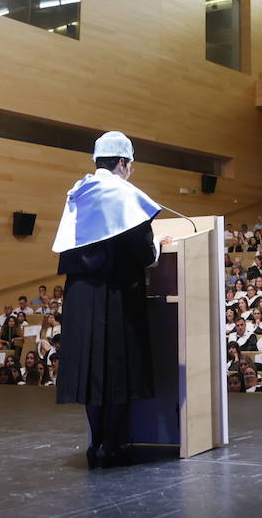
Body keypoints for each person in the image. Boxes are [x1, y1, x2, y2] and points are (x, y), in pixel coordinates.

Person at [54, 131, 172, 470]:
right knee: (119, 370)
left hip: (80, 296)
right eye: (130, 164)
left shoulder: (77, 193)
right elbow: (143, 253)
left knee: (92, 371)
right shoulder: (125, 195)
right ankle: (112, 445)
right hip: (116, 295)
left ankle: (95, 444)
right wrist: (158, 245)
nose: (130, 170)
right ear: (122, 162)